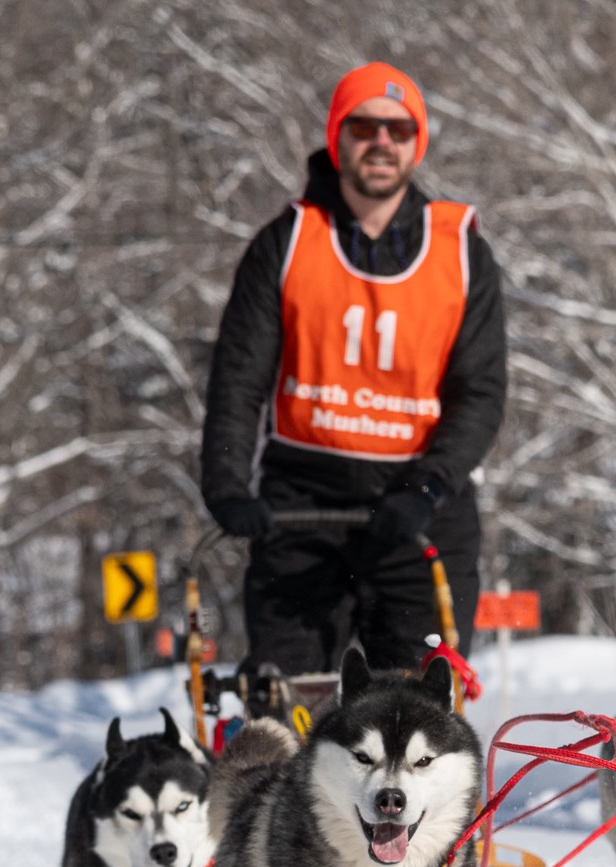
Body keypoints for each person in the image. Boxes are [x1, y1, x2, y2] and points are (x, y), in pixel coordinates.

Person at [200, 62, 506, 677]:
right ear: (337, 136)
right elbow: (238, 381)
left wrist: (428, 487)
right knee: (293, 712)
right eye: (364, 127)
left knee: (418, 721)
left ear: (417, 143)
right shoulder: (286, 243)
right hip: (300, 507)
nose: (382, 143)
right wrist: (227, 486)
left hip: (420, 511)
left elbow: (481, 393)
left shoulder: (461, 251)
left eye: (398, 130)